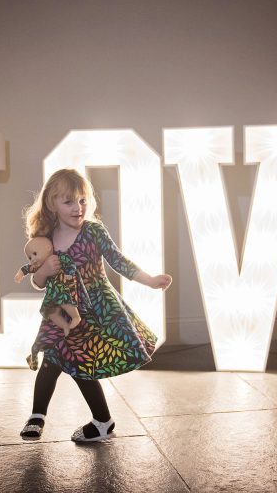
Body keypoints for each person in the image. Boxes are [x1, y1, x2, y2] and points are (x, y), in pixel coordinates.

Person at [19, 168, 172, 443]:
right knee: (51, 362)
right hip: (61, 311)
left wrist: (149, 280)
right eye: (69, 202)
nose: (78, 208)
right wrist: (45, 271)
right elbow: (37, 282)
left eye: (82, 200)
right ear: (52, 204)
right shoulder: (45, 239)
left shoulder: (94, 231)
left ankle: (102, 421)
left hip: (96, 308)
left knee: (81, 364)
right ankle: (37, 415)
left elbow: (118, 260)